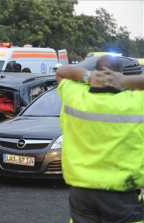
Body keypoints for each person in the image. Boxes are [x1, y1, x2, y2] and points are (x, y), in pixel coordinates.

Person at [56, 55, 144, 223]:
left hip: (82, 195)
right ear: (119, 74)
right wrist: (125, 80)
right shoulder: (136, 103)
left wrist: (87, 76)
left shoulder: (75, 97)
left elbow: (61, 72)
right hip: (122, 195)